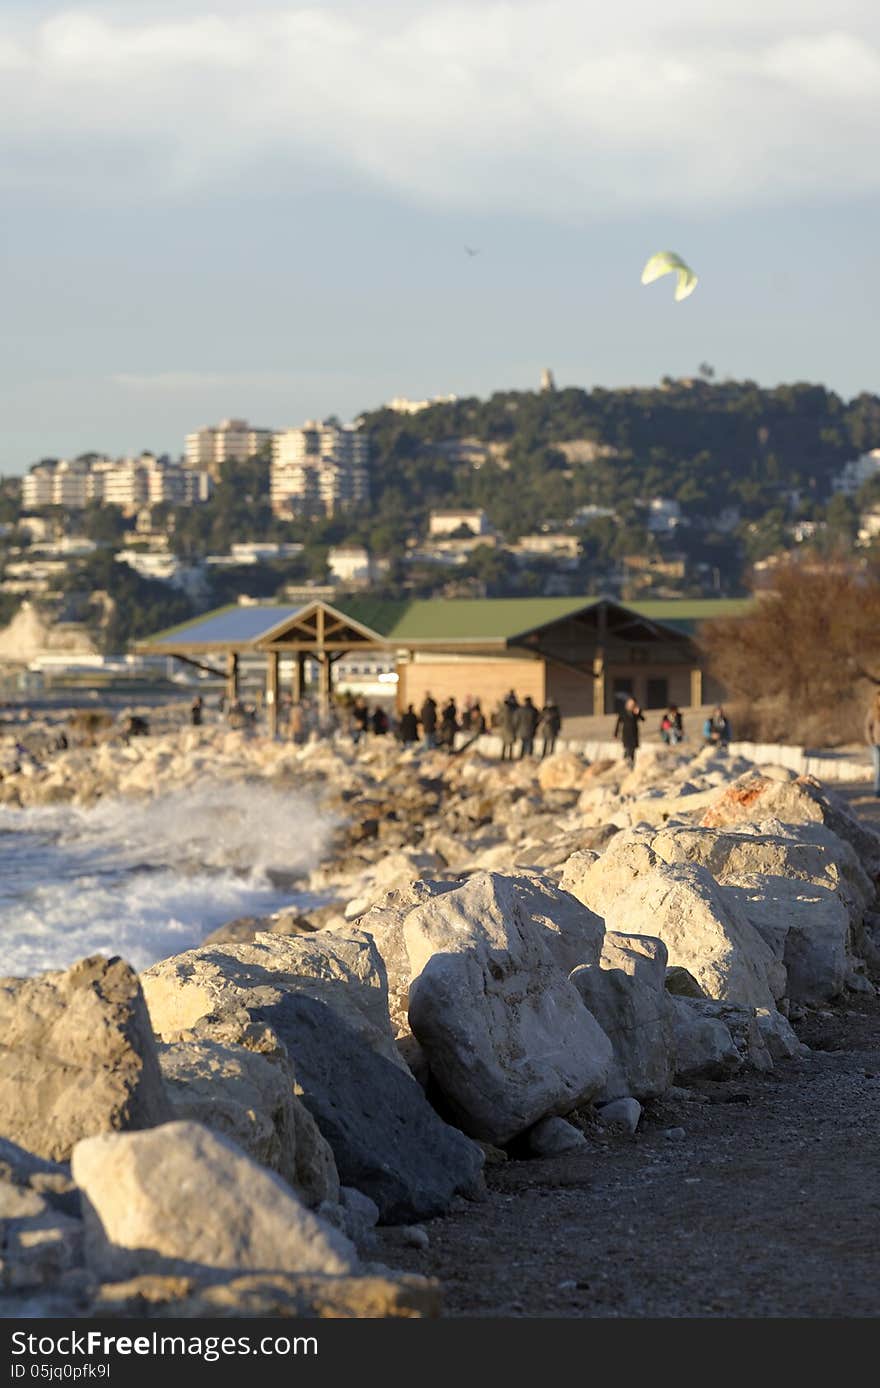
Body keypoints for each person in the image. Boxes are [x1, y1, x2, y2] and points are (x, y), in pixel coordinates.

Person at [614, 696, 644, 766]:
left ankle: (631, 764)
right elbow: (618, 723)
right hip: (626, 733)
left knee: (632, 750)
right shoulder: (623, 712)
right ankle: (625, 763)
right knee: (627, 749)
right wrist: (616, 733)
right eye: (630, 703)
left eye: (633, 704)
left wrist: (638, 713)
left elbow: (643, 719)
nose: (631, 705)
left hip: (634, 733)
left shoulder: (636, 712)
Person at [865, 690, 880, 796]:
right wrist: (871, 742)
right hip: (876, 744)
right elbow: (867, 727)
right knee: (878, 767)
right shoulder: (872, 712)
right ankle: (877, 791)